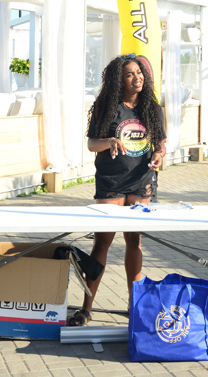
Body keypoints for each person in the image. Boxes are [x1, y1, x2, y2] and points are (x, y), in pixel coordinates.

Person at [67, 53, 166, 327]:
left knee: (134, 242)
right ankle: (86, 308)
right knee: (102, 243)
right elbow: (92, 144)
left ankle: (134, 306)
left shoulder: (152, 108)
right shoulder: (107, 106)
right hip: (110, 182)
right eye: (129, 74)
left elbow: (160, 143)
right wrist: (109, 141)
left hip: (141, 182)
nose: (137, 78)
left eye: (139, 73)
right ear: (118, 80)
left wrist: (159, 154)